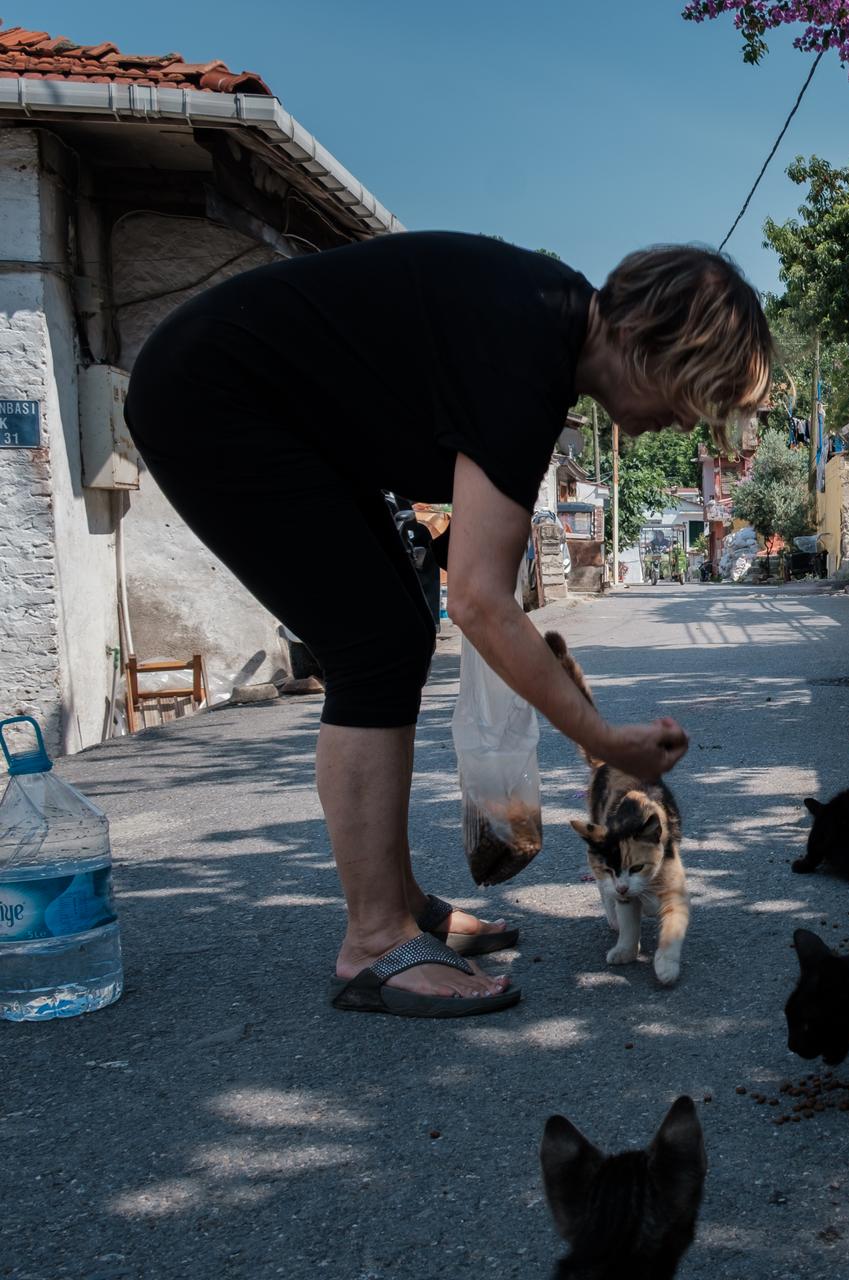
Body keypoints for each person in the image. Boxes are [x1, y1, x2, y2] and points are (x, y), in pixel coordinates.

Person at [126, 233, 772, 1017]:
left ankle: (398, 904)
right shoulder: (528, 343)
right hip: (211, 397)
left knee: (395, 629)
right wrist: (604, 743)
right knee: (372, 641)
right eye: (695, 395)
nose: (684, 423)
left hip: (276, 415)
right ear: (651, 343)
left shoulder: (543, 333)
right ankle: (374, 942)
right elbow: (479, 599)